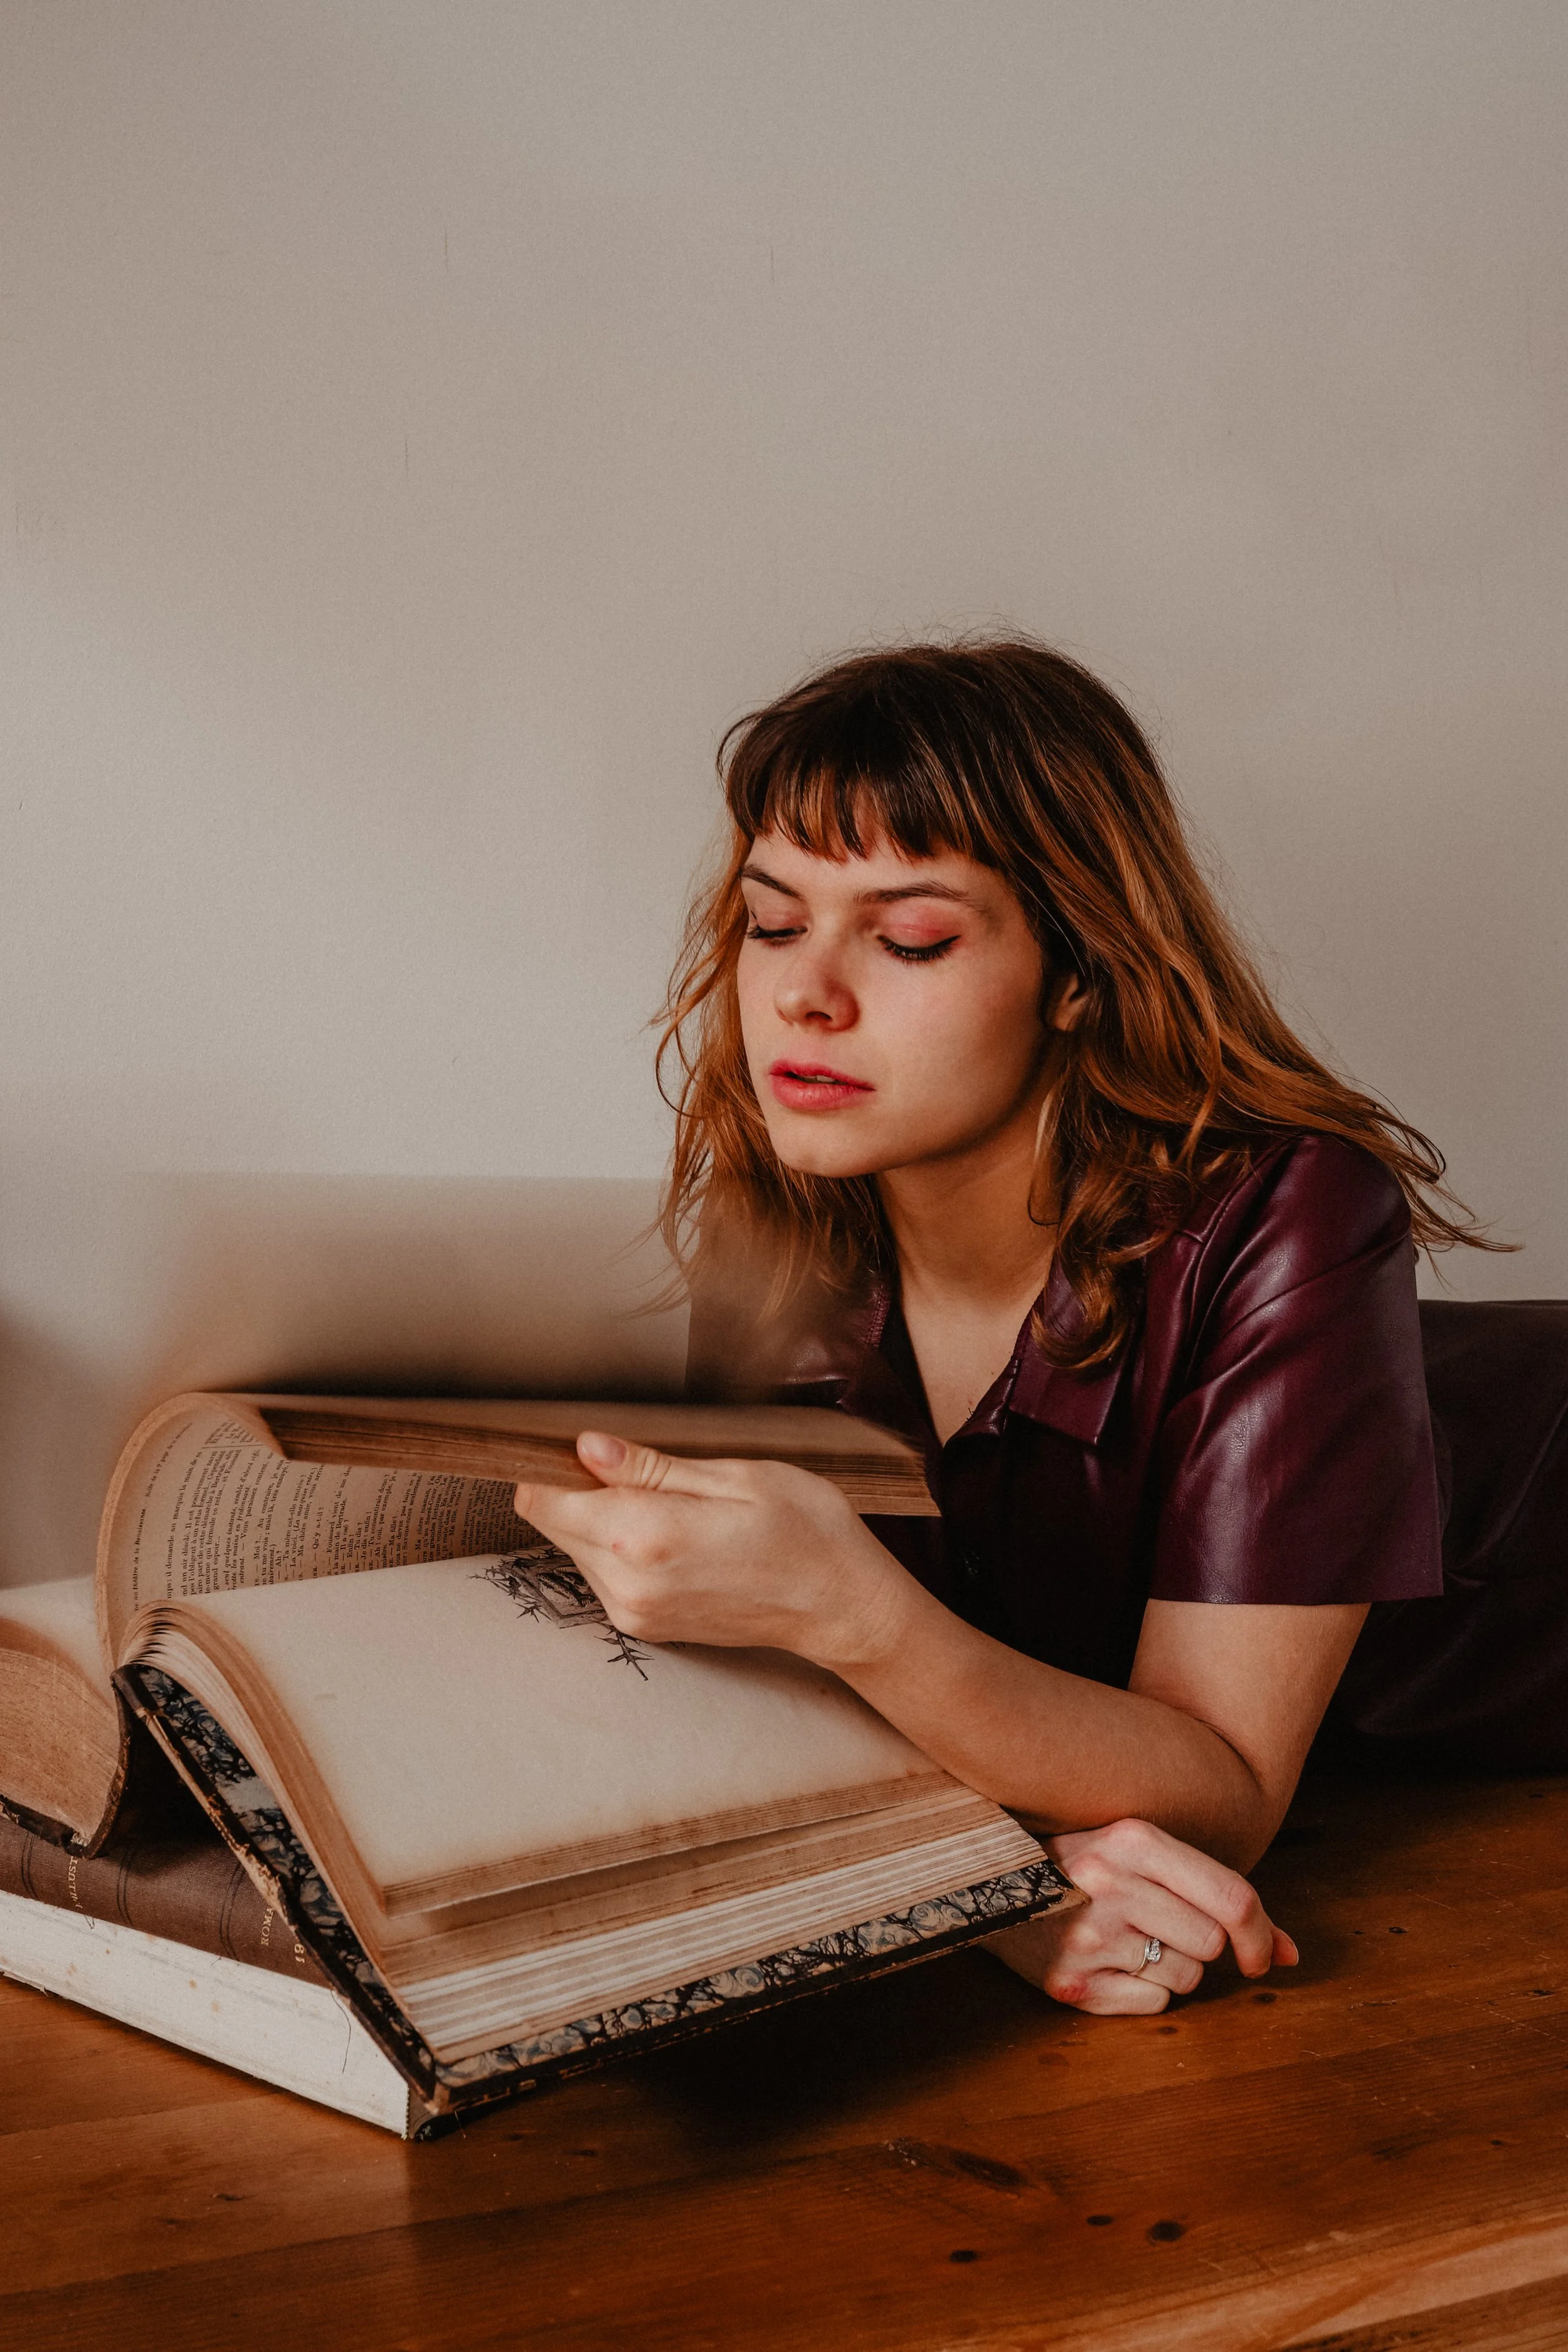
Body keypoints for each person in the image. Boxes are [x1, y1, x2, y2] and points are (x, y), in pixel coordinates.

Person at [513, 639, 1512, 2018]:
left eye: (909, 937)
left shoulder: (1295, 1209)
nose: (804, 994)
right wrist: (993, 1896)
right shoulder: (785, 1207)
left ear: (1078, 971)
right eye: (772, 919)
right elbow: (784, 1697)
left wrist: (852, 1621)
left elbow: (1218, 1789)